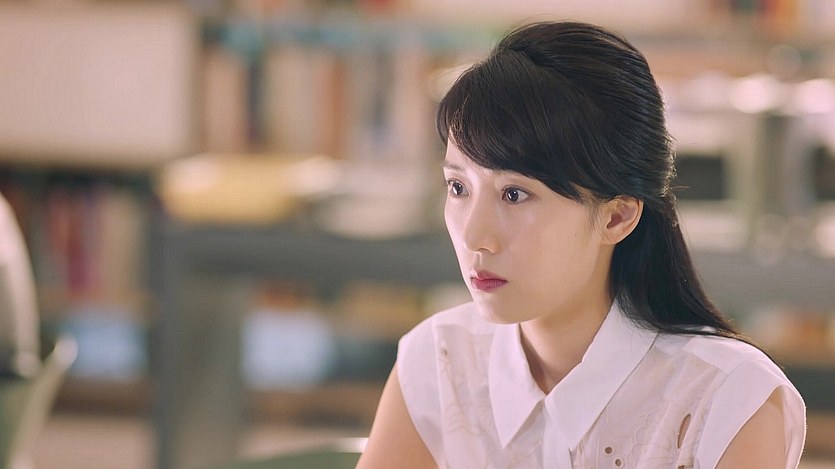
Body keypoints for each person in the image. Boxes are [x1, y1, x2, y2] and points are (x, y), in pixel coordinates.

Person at [356, 21, 806, 469]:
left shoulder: (727, 400)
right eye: (458, 187)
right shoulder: (438, 362)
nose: (474, 237)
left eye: (514, 194)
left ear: (617, 216)